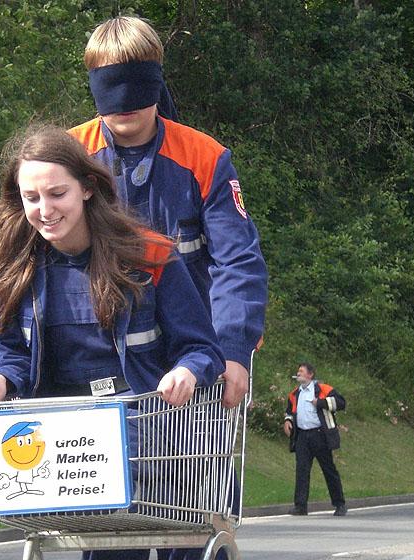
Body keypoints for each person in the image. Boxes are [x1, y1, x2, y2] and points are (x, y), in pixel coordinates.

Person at [0, 125, 226, 560]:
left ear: (88, 187)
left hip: (160, 447)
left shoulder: (148, 255)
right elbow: (10, 350)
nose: (44, 211)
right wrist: (0, 380)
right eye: (31, 198)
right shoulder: (14, 266)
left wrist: (186, 372)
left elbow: (203, 348)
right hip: (81, 459)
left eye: (57, 193)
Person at [68, 16, 267, 412]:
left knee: (200, 474)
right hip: (100, 361)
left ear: (156, 80)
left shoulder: (204, 158)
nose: (125, 103)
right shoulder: (69, 156)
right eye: (112, 86)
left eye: (137, 85)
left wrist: (232, 349)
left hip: (193, 361)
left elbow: (238, 260)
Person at [282, 363, 347, 517]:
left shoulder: (323, 389)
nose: (298, 374)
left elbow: (341, 403)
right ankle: (300, 506)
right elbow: (290, 411)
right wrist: (288, 421)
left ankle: (339, 504)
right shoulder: (294, 394)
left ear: (310, 375)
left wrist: (321, 403)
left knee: (328, 469)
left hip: (320, 435)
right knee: (302, 470)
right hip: (303, 436)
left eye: (301, 371)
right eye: (298, 371)